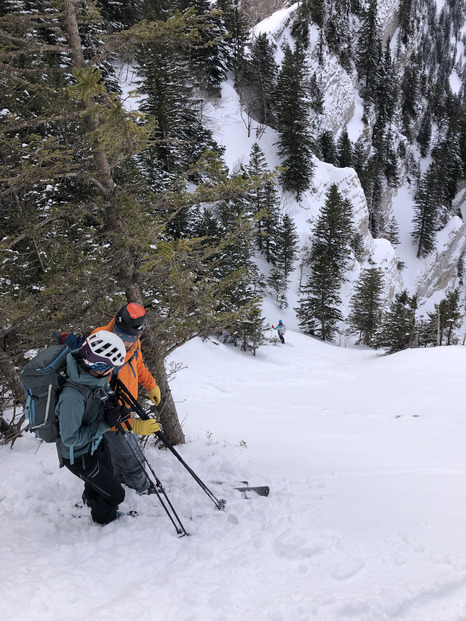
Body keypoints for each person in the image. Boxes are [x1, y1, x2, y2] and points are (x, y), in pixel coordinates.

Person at [56, 331, 130, 525]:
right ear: (99, 367)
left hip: (95, 443)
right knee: (116, 495)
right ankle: (102, 519)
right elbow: (69, 439)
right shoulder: (72, 397)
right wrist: (106, 423)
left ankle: (90, 501)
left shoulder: (92, 375)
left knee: (103, 480)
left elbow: (102, 390)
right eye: (111, 367)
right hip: (79, 456)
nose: (113, 371)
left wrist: (114, 408)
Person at [91, 303, 161, 494]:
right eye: (122, 337)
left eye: (131, 338)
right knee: (134, 459)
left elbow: (137, 365)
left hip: (125, 409)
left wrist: (151, 384)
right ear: (115, 327)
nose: (126, 343)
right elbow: (95, 393)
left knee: (121, 457)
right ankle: (142, 490)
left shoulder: (134, 342)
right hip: (110, 416)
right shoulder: (98, 343)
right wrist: (133, 424)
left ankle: (123, 484)